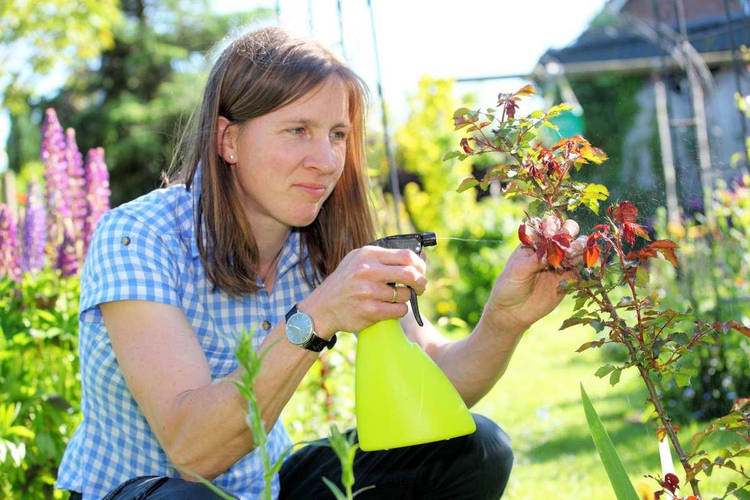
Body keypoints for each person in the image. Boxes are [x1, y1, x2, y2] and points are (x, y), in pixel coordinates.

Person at [55, 26, 581, 499]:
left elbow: (439, 383)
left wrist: (505, 320)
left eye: (337, 135)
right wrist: (316, 318)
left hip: (268, 488)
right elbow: (193, 453)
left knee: (477, 448)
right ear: (228, 139)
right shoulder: (139, 236)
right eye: (297, 131)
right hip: (144, 491)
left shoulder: (320, 239)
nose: (328, 162)